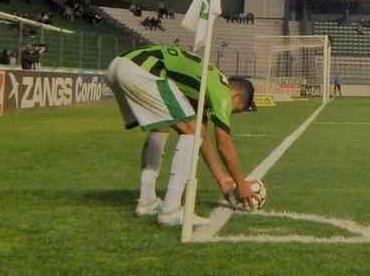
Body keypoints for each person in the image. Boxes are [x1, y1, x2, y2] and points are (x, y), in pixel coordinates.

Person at [106, 43, 261, 226]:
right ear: (236, 96)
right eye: (238, 110)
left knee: (163, 127)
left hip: (119, 65)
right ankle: (170, 210)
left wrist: (222, 179)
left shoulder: (203, 86)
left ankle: (147, 202)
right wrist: (241, 183)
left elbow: (201, 135)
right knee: (191, 131)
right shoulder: (222, 91)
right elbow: (223, 143)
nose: (233, 113)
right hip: (144, 69)